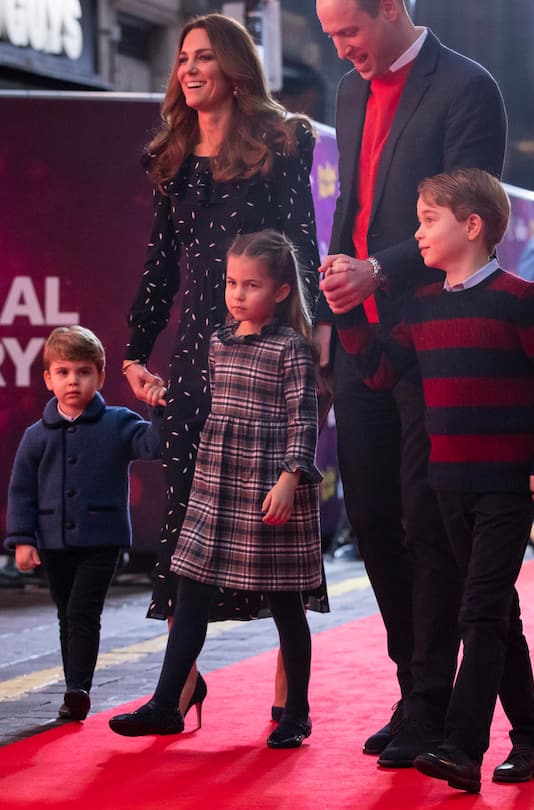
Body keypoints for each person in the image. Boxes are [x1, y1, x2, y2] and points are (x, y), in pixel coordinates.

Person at [314, 0, 507, 765]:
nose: (339, 48)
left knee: (428, 523)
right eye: (328, 34)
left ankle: (431, 704)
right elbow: (349, 209)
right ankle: (410, 686)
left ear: (391, 8)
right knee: (372, 514)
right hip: (359, 336)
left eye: (348, 31)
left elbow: (471, 216)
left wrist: (377, 270)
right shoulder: (347, 89)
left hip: (436, 334)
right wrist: (331, 293)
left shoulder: (467, 86)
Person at [121, 12, 326, 718]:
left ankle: (287, 695)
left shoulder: (281, 140)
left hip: (265, 355)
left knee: (274, 526)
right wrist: (133, 351)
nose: (188, 68)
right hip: (194, 358)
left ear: (235, 66)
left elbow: (301, 240)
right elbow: (159, 266)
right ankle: (176, 689)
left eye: (203, 56)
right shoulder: (172, 155)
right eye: (181, 58)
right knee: (189, 522)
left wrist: (310, 337)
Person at [331, 167, 534, 793]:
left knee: (478, 614)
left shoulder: (524, 300)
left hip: (504, 484)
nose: (416, 234)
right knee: (496, 614)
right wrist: (346, 313)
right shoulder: (419, 310)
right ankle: (531, 738)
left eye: (428, 220)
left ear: (472, 226)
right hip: (447, 484)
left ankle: (460, 746)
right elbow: (375, 373)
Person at [110, 229, 322, 748]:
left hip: (269, 482)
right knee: (192, 590)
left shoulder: (292, 347)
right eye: (231, 282)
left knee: (286, 601)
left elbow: (305, 419)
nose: (237, 293)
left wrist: (290, 479)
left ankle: (296, 712)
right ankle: (166, 702)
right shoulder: (219, 341)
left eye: (251, 284)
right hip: (217, 478)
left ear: (280, 292)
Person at [4, 326, 162, 722]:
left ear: (100, 376)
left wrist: (158, 407)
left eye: (83, 372)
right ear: (48, 379)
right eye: (63, 372)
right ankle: (74, 682)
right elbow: (22, 490)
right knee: (66, 615)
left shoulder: (119, 423)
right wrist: (23, 540)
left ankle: (78, 689)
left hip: (102, 541)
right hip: (53, 541)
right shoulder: (35, 436)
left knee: (82, 612)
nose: (73, 380)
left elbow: (155, 446)